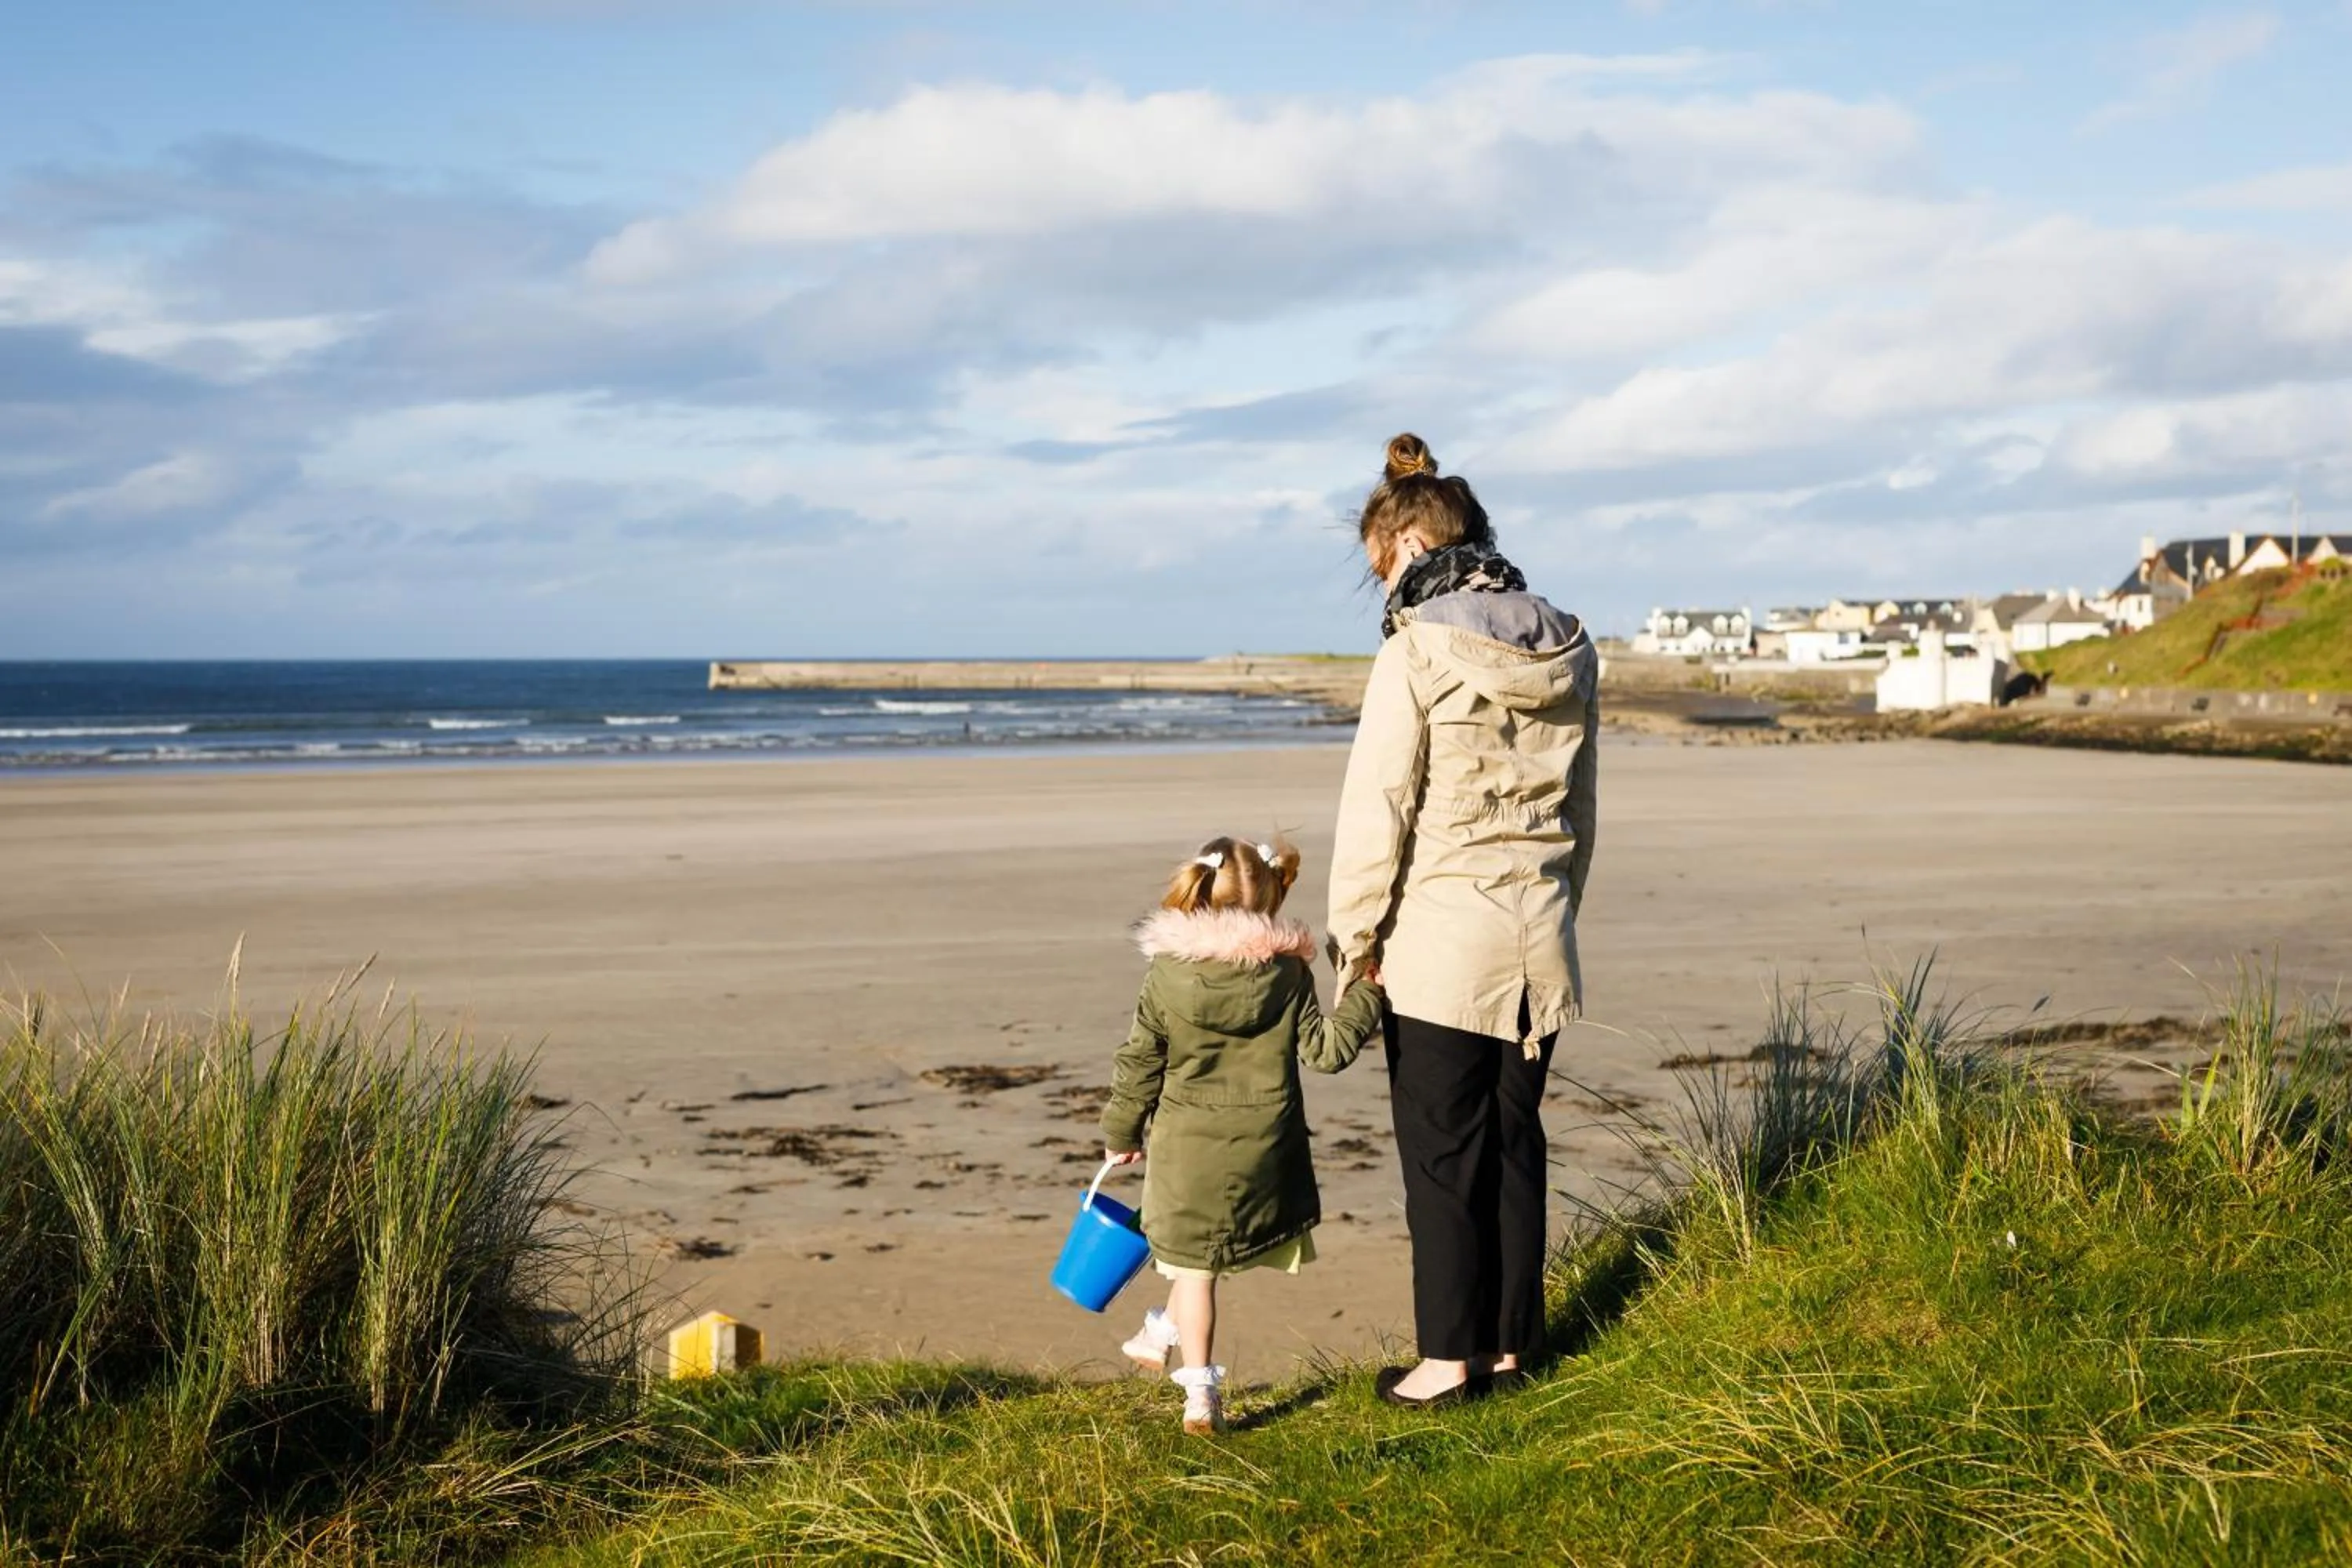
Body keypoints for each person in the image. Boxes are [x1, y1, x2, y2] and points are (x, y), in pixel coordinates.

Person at [1327, 433, 1600, 1409]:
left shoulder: (1414, 649)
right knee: (1515, 1145)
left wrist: (1356, 939)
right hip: (1540, 936)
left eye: (1378, 568)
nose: (1382, 589)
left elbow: (1378, 808)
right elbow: (1583, 807)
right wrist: (1560, 903)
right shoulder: (1571, 639)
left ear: (1403, 545)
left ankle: (1448, 1361)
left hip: (1441, 940)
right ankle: (1512, 1349)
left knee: (1443, 1156)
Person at [1100, 836, 1385, 1434]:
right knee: (1201, 1254)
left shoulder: (1168, 977)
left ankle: (1200, 1395)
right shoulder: (1288, 975)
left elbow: (1139, 1063)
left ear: (1198, 895)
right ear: (1273, 898)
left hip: (1186, 1143)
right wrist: (1366, 995)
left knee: (1195, 1266)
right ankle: (1157, 1335)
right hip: (1263, 1141)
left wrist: (1121, 1131)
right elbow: (1327, 1053)